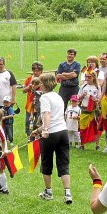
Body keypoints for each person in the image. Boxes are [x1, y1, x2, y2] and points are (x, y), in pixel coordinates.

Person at [31, 72, 72, 205]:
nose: (40, 85)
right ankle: (67, 193)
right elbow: (58, 116)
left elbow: (47, 115)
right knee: (63, 162)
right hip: (63, 132)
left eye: (41, 83)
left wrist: (46, 130)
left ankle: (48, 192)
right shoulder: (58, 96)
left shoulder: (44, 98)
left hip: (51, 133)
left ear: (45, 84)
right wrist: (38, 130)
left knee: (46, 162)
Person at [78, 71, 101, 150]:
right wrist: (82, 96)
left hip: (94, 110)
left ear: (93, 77)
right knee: (82, 128)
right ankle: (82, 144)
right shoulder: (83, 86)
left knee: (95, 127)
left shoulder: (97, 87)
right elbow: (78, 98)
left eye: (89, 77)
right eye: (86, 77)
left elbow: (99, 99)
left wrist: (96, 100)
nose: (87, 78)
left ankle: (97, 145)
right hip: (84, 109)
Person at [22, 62, 44, 136]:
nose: (35, 72)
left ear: (41, 71)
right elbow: (23, 90)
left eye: (37, 71)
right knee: (28, 122)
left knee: (38, 123)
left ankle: (38, 137)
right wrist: (29, 87)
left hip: (39, 105)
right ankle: (29, 137)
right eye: (34, 71)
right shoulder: (29, 79)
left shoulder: (43, 80)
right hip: (30, 105)